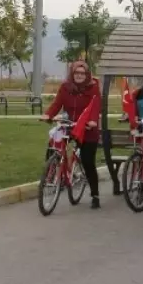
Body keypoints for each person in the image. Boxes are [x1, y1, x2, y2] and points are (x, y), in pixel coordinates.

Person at [43, 60, 103, 209]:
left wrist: (93, 121)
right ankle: (53, 171)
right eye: (77, 73)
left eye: (82, 73)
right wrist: (48, 115)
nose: (79, 75)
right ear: (72, 73)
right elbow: (57, 103)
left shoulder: (93, 88)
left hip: (87, 128)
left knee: (88, 162)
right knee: (53, 144)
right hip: (69, 125)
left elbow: (96, 106)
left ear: (87, 74)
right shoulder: (65, 87)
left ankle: (95, 195)